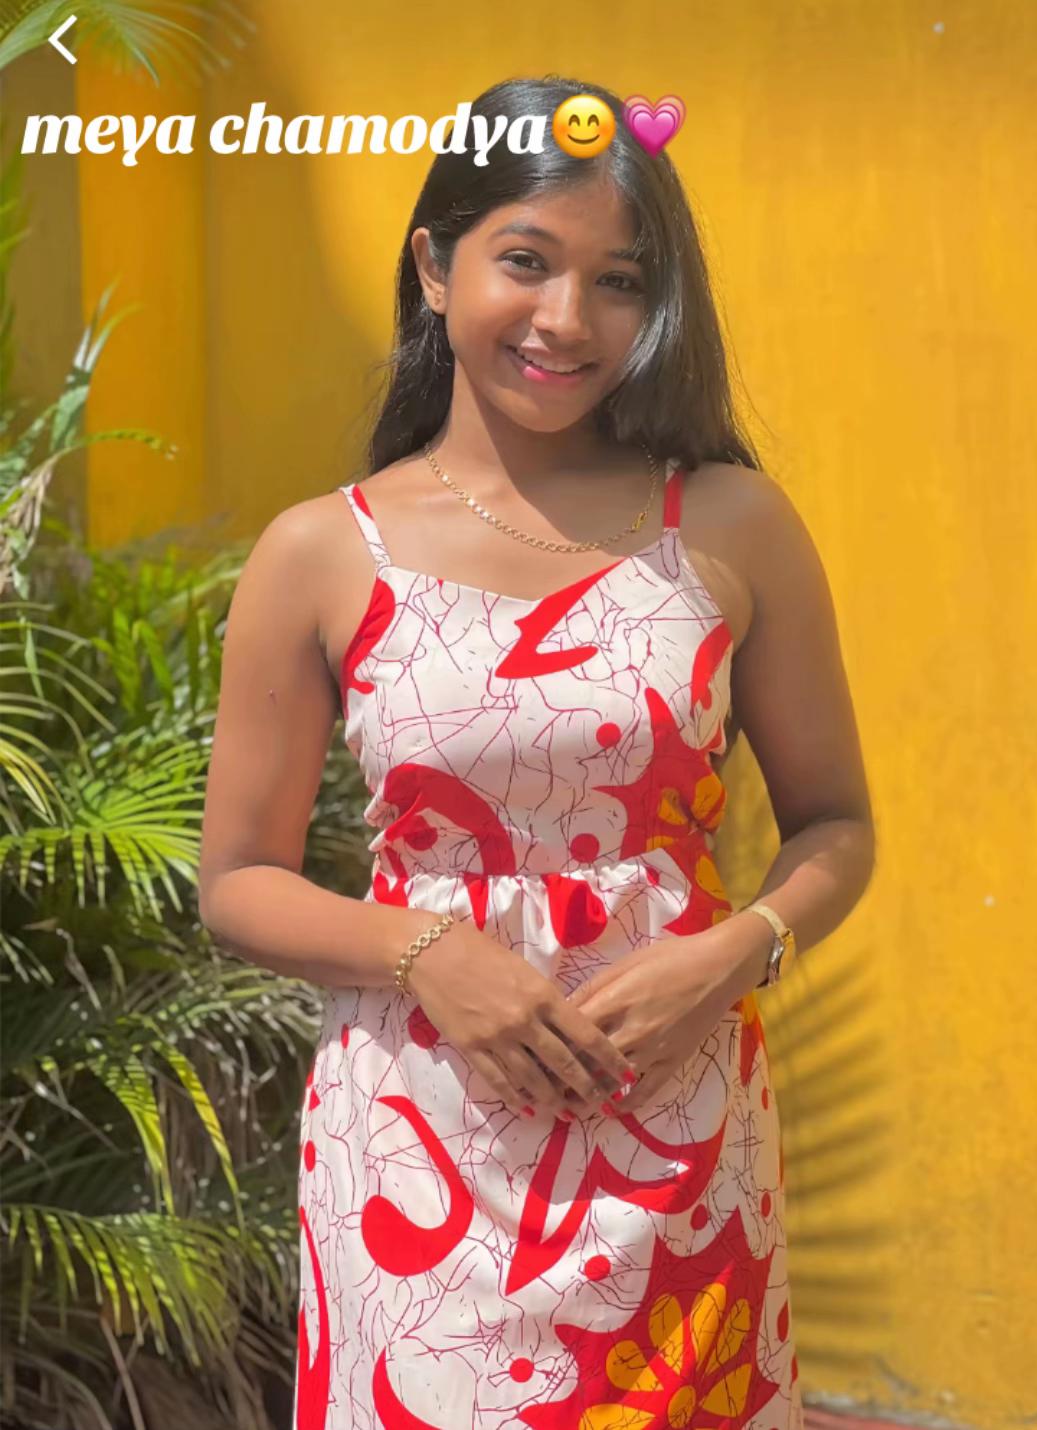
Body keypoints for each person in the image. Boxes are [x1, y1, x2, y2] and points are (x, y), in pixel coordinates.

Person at [198, 73, 874, 1430]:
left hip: (681, 1152)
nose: (568, 318)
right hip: (417, 1154)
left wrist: (736, 951)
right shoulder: (320, 551)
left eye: (618, 281)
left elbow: (836, 825)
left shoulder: (732, 524)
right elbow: (238, 884)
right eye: (526, 261)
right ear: (433, 268)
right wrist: (428, 954)